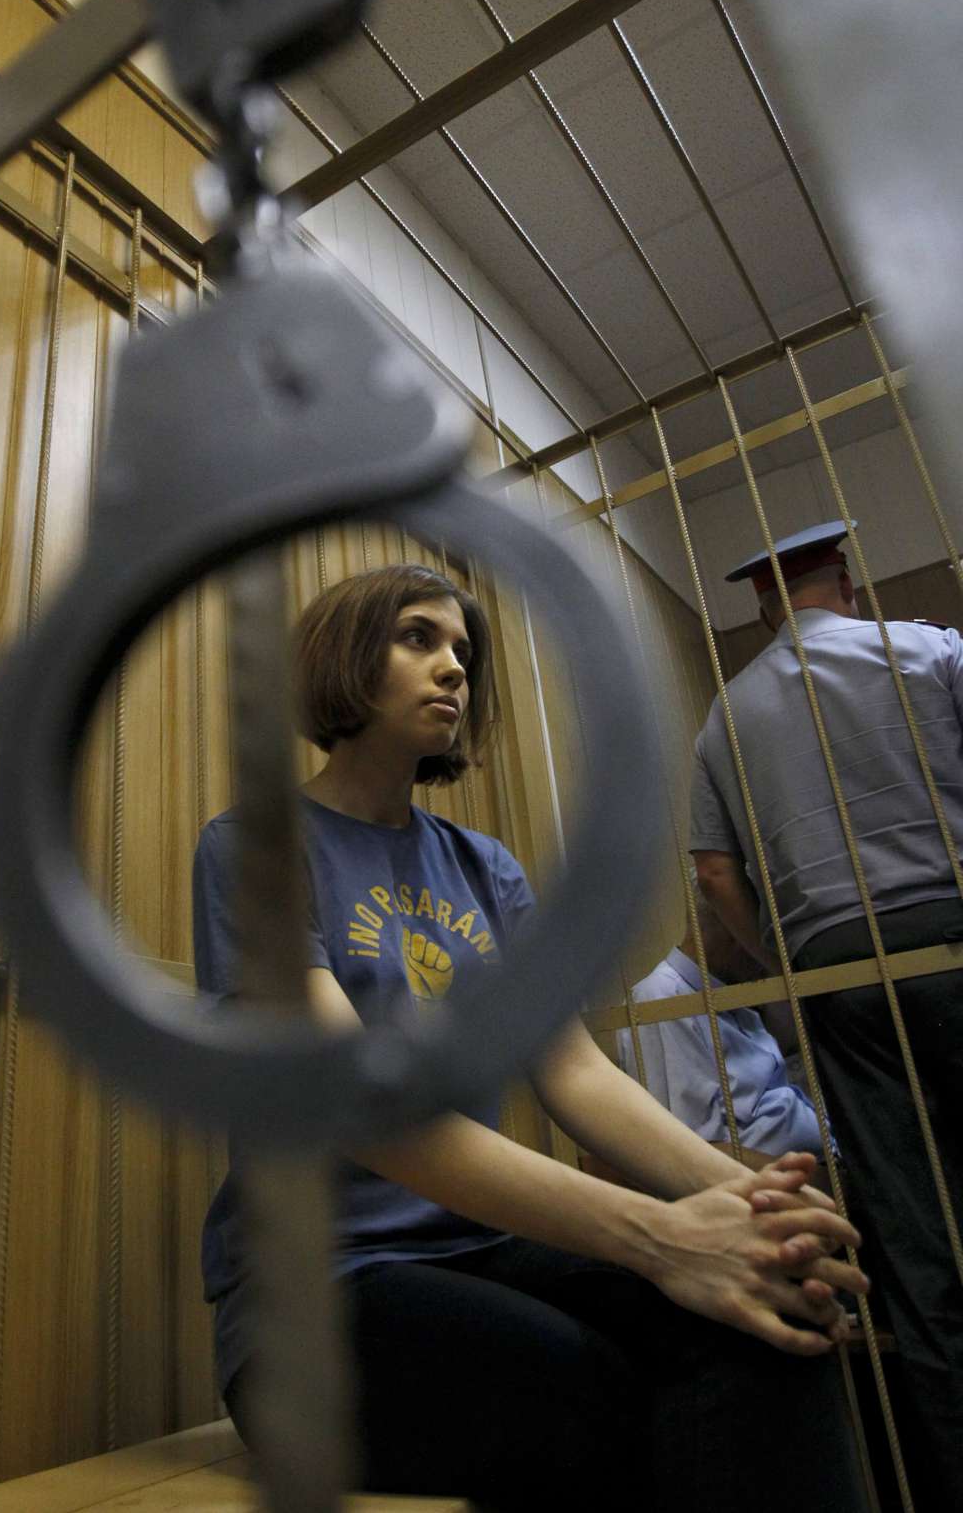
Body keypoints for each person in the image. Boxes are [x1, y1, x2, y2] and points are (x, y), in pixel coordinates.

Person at [193, 562, 870, 1512]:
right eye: (419, 638)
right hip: (316, 1295)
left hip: (476, 1252)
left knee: (769, 1314)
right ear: (344, 657)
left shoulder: (487, 869)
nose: (454, 669)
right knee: (584, 1389)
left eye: (463, 652)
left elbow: (576, 1073)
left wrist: (747, 1204)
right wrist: (658, 1237)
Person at [690, 520, 963, 1505]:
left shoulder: (725, 714)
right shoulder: (929, 650)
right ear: (847, 581)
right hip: (950, 928)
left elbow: (715, 871)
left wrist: (790, 962)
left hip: (835, 969)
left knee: (911, 1223)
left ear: (767, 608)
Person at [617, 892, 825, 1165]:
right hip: (781, 1180)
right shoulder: (661, 998)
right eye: (765, 936)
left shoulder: (731, 997)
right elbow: (689, 1150)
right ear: (731, 926)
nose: (770, 951)